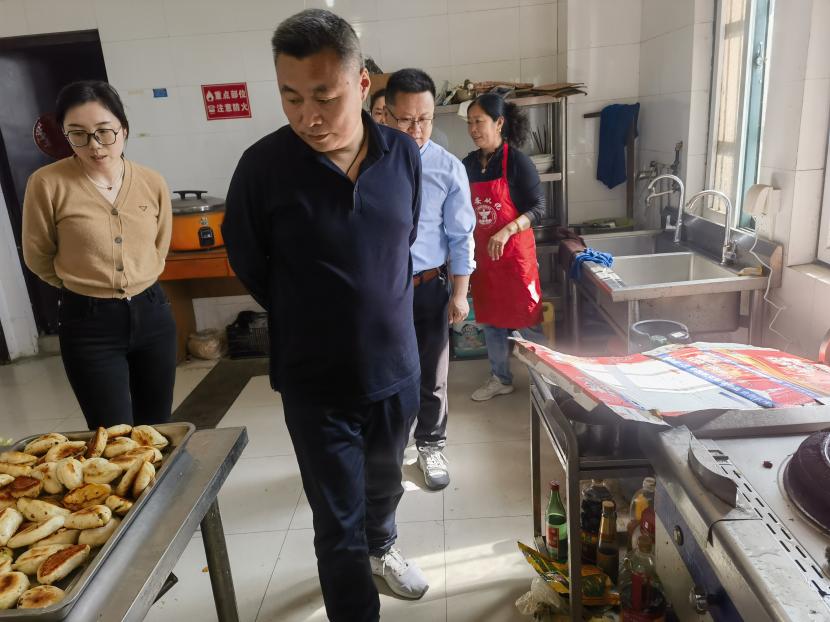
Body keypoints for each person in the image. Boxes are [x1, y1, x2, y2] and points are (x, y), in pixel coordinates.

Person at [221, 10, 428, 622]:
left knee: (385, 486)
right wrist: (316, 311)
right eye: (290, 97)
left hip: (396, 369)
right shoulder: (262, 168)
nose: (307, 115)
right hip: (315, 381)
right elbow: (249, 262)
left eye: (324, 97)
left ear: (362, 85)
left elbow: (402, 240)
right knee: (337, 521)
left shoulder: (401, 154)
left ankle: (383, 545)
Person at [22, 80, 176, 429]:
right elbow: (38, 254)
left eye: (104, 132)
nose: (94, 145)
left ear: (124, 129)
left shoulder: (152, 182)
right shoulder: (46, 184)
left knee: (157, 429)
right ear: (65, 135)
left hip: (152, 312)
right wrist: (84, 284)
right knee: (111, 433)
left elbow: (160, 244)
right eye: (78, 134)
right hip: (88, 322)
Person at [383, 68, 474, 490]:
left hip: (427, 287)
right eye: (406, 120)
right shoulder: (368, 164)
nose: (416, 130)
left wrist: (460, 294)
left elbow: (460, 236)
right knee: (386, 375)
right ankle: (388, 449)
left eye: (425, 119)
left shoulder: (448, 168)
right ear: (386, 115)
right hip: (381, 292)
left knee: (432, 375)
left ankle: (431, 444)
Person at [462, 93, 547, 401]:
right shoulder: (468, 164)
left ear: (499, 123)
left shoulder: (518, 162)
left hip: (515, 258)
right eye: (470, 122)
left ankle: (546, 380)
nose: (473, 129)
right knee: (491, 321)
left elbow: (539, 208)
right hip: (485, 260)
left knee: (528, 319)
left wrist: (507, 229)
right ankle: (500, 378)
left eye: (479, 121)